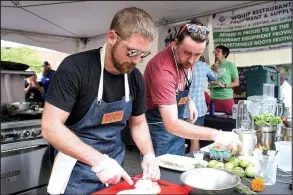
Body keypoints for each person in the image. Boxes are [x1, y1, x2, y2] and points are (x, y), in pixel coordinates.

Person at [42, 7, 160, 194]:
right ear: (112, 37)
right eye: (132, 52)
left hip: (115, 171)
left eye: (143, 54)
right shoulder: (75, 68)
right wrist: (100, 162)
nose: (137, 60)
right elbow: (50, 127)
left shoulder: (135, 77)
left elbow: (137, 124)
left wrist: (149, 155)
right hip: (75, 172)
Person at [143, 19, 242, 157]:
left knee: (178, 163)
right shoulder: (162, 70)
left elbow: (180, 84)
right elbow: (171, 124)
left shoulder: (189, 57)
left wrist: (189, 101)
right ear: (175, 43)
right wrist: (216, 135)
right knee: (160, 170)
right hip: (160, 124)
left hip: (177, 119)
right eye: (187, 52)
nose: (191, 60)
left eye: (197, 55)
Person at [183, 54, 218, 152]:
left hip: (182, 107)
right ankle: (194, 163)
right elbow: (214, 78)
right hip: (198, 109)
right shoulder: (203, 66)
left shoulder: (182, 65)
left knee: (179, 139)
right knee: (195, 139)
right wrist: (215, 68)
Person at [209, 45, 239, 114]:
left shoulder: (231, 65)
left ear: (224, 54)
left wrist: (224, 85)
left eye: (218, 51)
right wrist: (211, 82)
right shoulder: (213, 66)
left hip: (226, 98)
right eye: (215, 51)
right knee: (212, 122)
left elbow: (236, 83)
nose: (215, 53)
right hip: (213, 97)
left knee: (227, 121)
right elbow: (212, 80)